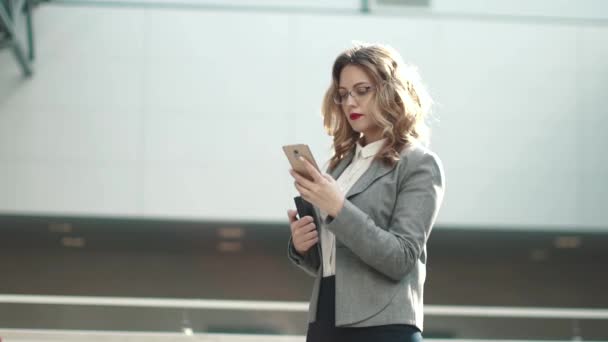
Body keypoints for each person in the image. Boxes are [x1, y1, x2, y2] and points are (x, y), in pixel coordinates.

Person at [286, 42, 445, 342]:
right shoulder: (338, 167)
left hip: (384, 326)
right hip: (325, 320)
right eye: (343, 94)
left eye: (362, 90)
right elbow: (333, 261)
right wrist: (302, 245)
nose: (349, 103)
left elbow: (401, 258)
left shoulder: (419, 164)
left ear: (390, 91)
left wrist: (339, 209)